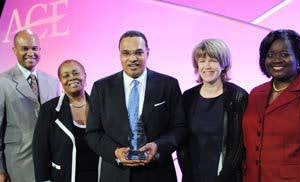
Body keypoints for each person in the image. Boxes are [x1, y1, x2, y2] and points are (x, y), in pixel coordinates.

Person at [85, 30, 185, 182]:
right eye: (126, 53)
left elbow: (180, 128)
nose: (132, 58)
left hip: (158, 173)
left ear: (148, 53)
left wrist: (158, 146)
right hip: (115, 174)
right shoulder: (101, 88)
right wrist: (115, 152)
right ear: (120, 55)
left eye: (138, 52)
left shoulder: (168, 85)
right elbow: (92, 133)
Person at [243, 29, 300, 182]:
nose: (277, 60)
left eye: (285, 54)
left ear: (299, 57)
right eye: (270, 55)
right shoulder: (255, 94)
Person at [177, 39, 248, 182]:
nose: (207, 66)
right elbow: (181, 141)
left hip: (226, 177)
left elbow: (238, 146)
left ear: (224, 64)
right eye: (202, 61)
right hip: (193, 176)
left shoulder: (238, 97)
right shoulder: (188, 97)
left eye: (213, 60)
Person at [0, 29, 60, 182]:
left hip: (50, 162)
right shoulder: (3, 82)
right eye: (24, 48)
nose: (30, 53)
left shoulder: (52, 81)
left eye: (34, 48)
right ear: (14, 50)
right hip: (18, 163)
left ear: (40, 49)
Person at [33, 60, 99, 182]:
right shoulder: (49, 110)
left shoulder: (100, 106)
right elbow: (40, 152)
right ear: (61, 81)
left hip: (99, 176)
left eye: (75, 73)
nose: (72, 78)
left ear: (84, 75)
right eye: (66, 76)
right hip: (65, 177)